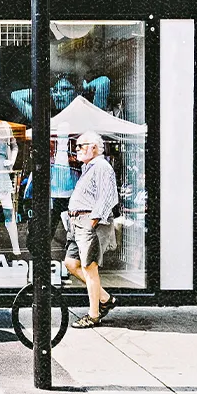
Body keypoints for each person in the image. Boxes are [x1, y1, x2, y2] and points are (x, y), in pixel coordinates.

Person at [63, 133, 119, 328]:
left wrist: (92, 221)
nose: (76, 149)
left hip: (88, 222)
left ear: (94, 147)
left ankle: (93, 314)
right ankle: (105, 299)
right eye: (76, 146)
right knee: (71, 263)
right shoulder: (89, 168)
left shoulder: (102, 167)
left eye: (80, 146)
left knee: (89, 267)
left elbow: (108, 197)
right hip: (78, 221)